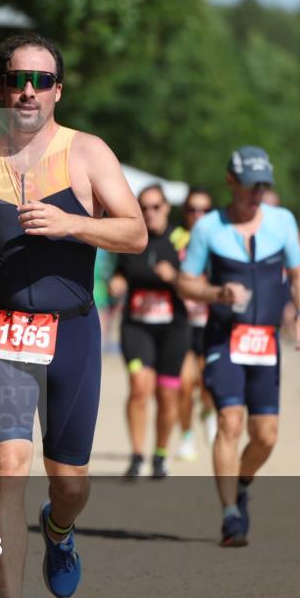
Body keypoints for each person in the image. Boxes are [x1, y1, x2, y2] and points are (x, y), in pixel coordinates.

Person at [0, 32, 146, 598]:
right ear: (2, 90)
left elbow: (135, 233)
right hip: (5, 329)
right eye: (18, 80)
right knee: (7, 466)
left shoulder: (87, 153)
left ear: (57, 91)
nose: (28, 91)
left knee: (69, 481)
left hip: (72, 333)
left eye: (41, 81)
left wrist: (72, 222)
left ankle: (59, 528)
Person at [175, 146, 300, 547]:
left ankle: (243, 483)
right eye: (251, 185)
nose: (257, 193)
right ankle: (230, 515)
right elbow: (185, 282)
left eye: (263, 186)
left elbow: (299, 274)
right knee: (230, 422)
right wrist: (216, 293)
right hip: (224, 338)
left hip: (265, 342)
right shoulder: (208, 228)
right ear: (231, 182)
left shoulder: (282, 222)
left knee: (266, 435)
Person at [112, 184, 192, 479]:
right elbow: (120, 270)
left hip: (173, 328)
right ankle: (137, 456)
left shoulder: (182, 239)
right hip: (137, 326)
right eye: (143, 207)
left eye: (156, 207)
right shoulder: (132, 236)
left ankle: (160, 453)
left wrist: (175, 277)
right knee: (139, 387)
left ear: (167, 208)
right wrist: (117, 281)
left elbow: (198, 280)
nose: (149, 213)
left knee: (167, 395)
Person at [176, 187, 218, 460]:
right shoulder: (177, 240)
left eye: (204, 210)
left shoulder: (219, 240)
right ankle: (186, 435)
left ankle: (208, 412)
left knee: (207, 383)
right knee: (184, 383)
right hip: (182, 322)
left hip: (211, 321)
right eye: (192, 209)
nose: (197, 215)